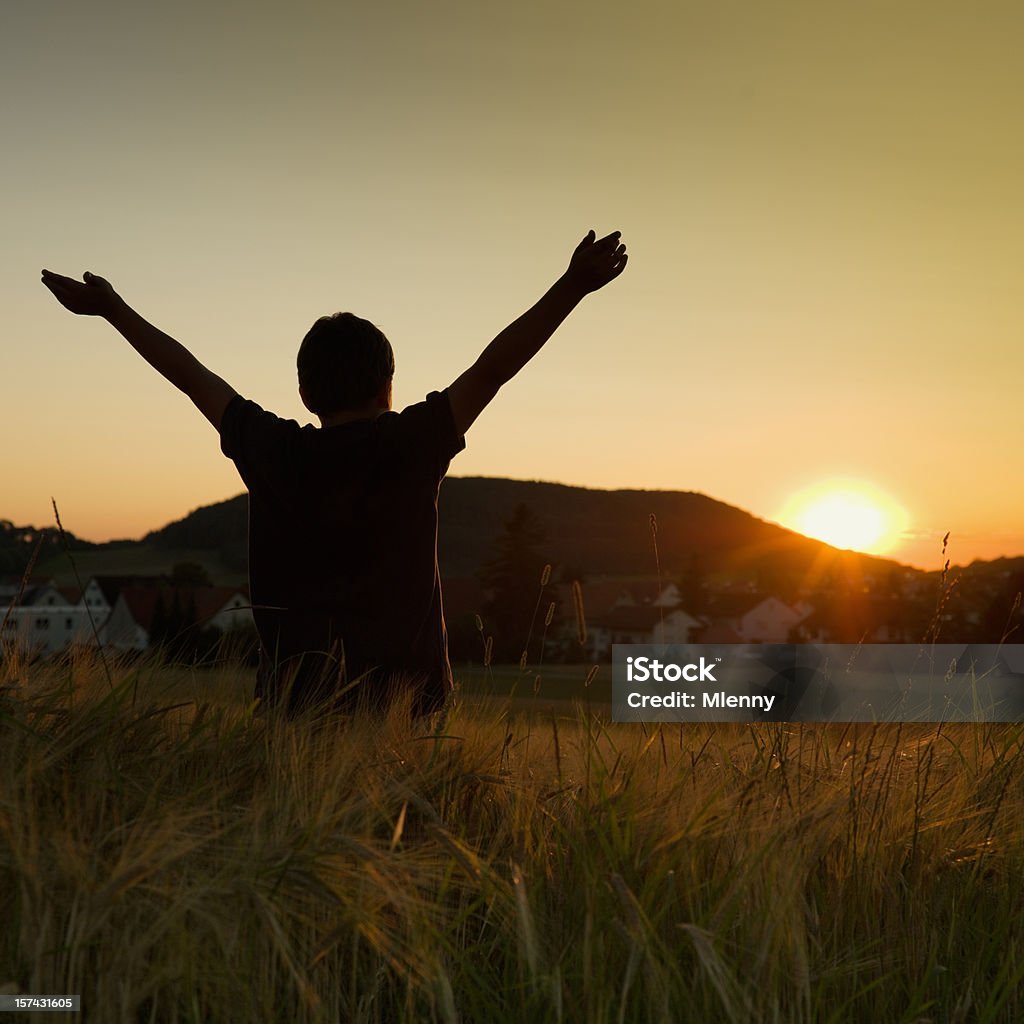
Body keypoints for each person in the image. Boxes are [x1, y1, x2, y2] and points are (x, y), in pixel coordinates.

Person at [41, 229, 628, 716]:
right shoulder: (414, 442)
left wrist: (112, 310)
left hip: (295, 713)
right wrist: (573, 285)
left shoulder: (271, 449)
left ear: (303, 391)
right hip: (411, 712)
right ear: (387, 386)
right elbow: (494, 367)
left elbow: (193, 376)